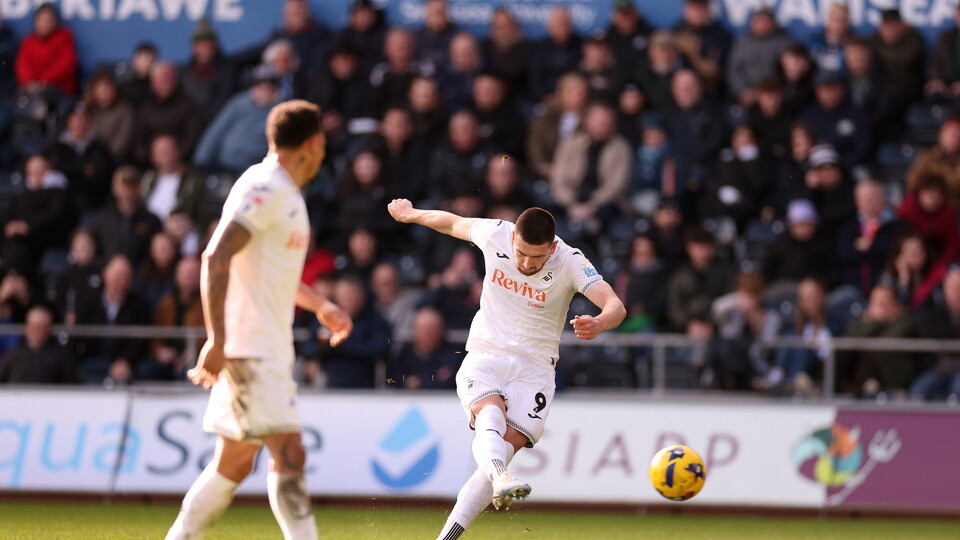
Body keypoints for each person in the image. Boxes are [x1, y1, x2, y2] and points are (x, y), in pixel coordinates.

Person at [165, 100, 353, 540]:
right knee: (290, 454)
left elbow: (271, 273)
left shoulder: (283, 191)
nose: (324, 152)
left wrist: (320, 305)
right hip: (250, 349)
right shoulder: (266, 186)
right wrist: (217, 340)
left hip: (263, 346)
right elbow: (215, 255)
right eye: (322, 143)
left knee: (232, 462)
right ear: (310, 144)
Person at [386, 198, 625, 538]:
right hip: (487, 352)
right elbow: (452, 223)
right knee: (490, 418)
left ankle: (456, 525)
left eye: (537, 257)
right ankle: (502, 477)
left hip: (536, 369)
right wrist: (411, 215)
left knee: (499, 449)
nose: (527, 263)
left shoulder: (570, 261)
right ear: (514, 238)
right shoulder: (496, 232)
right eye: (522, 253)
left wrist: (600, 323)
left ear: (552, 247)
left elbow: (615, 304)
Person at [0, 305, 78, 384]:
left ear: (51, 329)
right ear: (27, 328)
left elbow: (73, 386)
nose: (40, 332)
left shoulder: (62, 355)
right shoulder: (14, 354)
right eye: (36, 327)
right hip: (18, 395)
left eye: (45, 327)